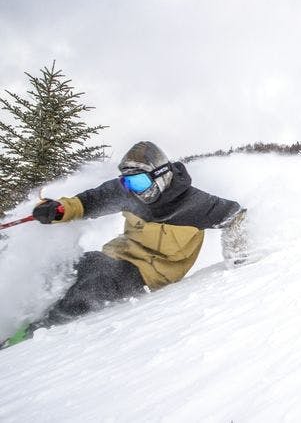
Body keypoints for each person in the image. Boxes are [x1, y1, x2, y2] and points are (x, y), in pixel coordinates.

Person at [3, 141, 247, 346]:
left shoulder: (196, 204)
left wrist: (238, 254)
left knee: (94, 285)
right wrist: (58, 210)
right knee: (67, 267)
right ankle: (20, 319)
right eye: (128, 183)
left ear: (162, 175)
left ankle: (38, 334)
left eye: (139, 182)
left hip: (151, 273)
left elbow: (236, 216)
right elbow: (88, 202)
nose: (135, 191)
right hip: (117, 254)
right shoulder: (126, 192)